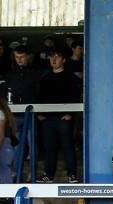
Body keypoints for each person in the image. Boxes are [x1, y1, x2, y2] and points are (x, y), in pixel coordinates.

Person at [36, 49, 81, 183]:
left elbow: (75, 96)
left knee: (68, 146)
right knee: (50, 148)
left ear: (64, 60)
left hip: (64, 118)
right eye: (51, 57)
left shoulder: (70, 77)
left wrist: (70, 114)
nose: (54, 60)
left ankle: (72, 174)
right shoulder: (45, 78)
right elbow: (39, 97)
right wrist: (39, 114)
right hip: (47, 119)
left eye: (57, 57)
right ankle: (49, 175)